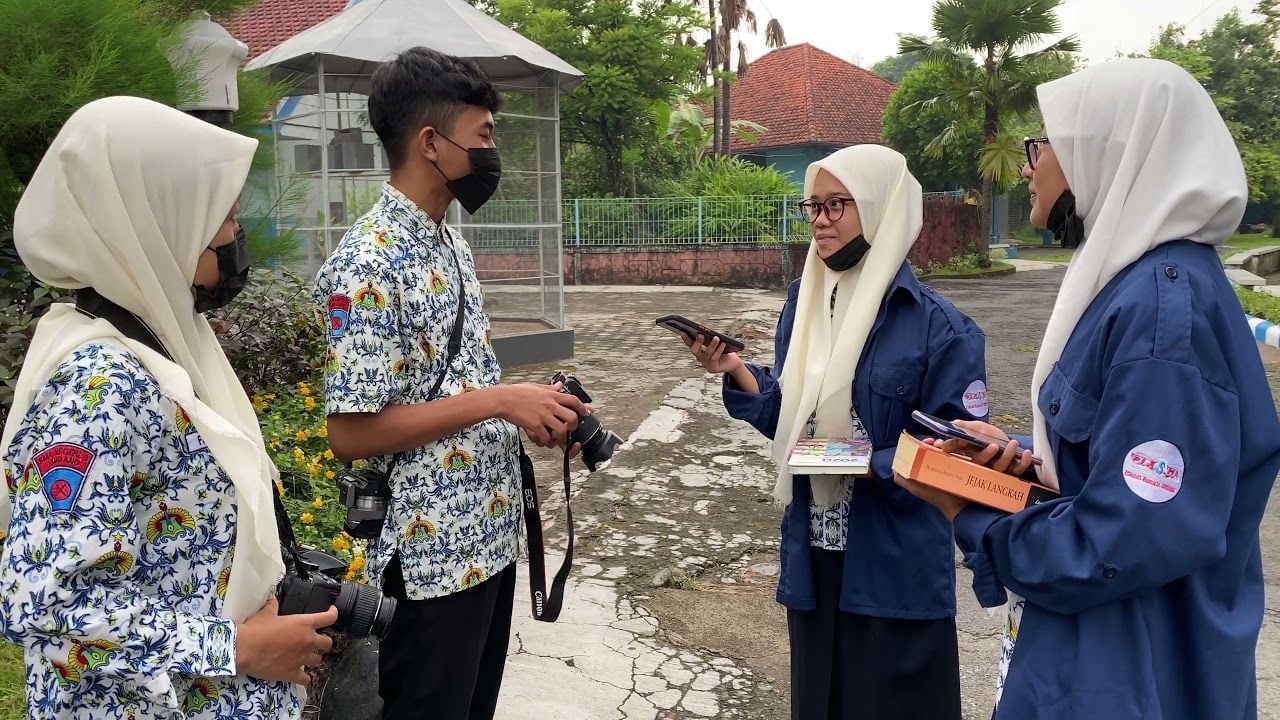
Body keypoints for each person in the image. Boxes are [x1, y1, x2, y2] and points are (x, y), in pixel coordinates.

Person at [896, 58, 1280, 720]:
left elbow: (1128, 536)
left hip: (1132, 672)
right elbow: (1122, 458)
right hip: (1105, 658)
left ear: (1104, 152)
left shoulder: (1161, 311)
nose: (1028, 169)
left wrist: (974, 514)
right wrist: (1023, 456)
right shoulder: (1138, 285)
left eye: (1041, 146)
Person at [0, 97, 337, 719]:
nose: (235, 237)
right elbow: (46, 603)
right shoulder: (101, 389)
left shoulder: (165, 348)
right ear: (157, 222)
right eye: (223, 218)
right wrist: (235, 648)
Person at [313, 47, 587, 720]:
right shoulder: (367, 263)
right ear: (431, 143)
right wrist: (500, 400)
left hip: (486, 537)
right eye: (483, 135)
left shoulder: (449, 243)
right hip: (430, 559)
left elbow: (458, 384)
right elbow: (350, 433)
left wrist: (533, 410)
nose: (493, 152)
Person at [684, 144, 989, 720]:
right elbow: (792, 420)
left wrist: (849, 460)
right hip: (816, 561)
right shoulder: (806, 304)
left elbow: (956, 459)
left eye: (836, 205)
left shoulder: (942, 328)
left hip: (892, 569)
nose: (819, 221)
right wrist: (737, 370)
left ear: (879, 208)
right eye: (812, 206)